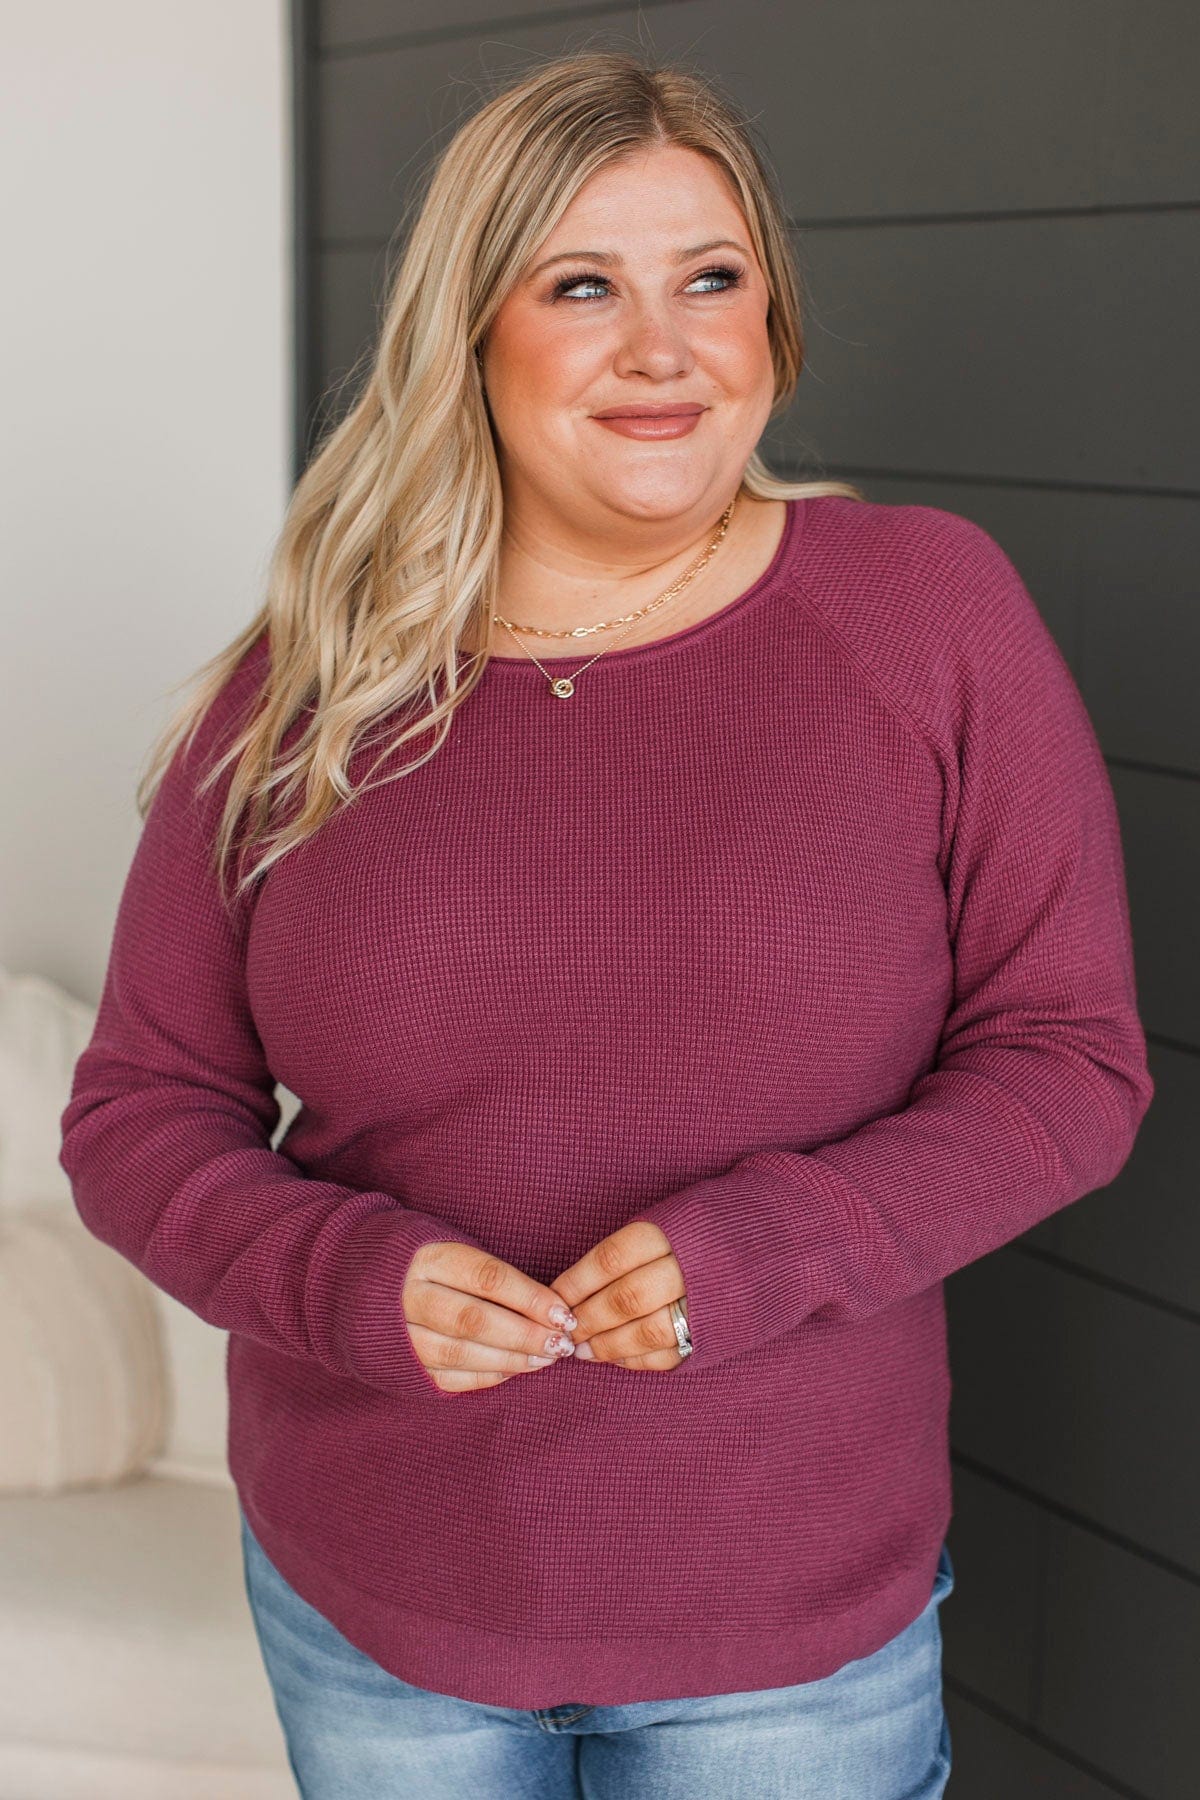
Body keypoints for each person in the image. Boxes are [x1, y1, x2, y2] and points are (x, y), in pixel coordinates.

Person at [59, 48, 1153, 1800]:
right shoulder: (306, 689)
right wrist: (343, 1279)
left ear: (773, 323)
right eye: (582, 286)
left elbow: (1069, 1064)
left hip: (788, 1628)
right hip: (380, 1615)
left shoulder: (925, 612)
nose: (663, 347)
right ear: (469, 335)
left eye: (710, 280)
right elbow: (138, 1114)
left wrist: (780, 1243)